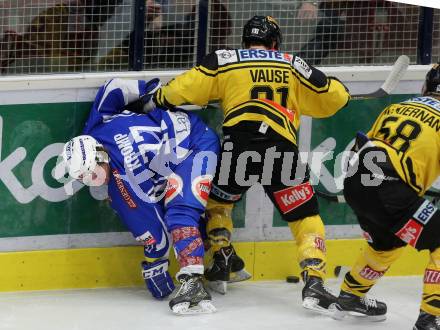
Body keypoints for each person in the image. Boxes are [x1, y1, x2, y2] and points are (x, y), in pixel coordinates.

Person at [143, 15, 350, 315]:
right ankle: (314, 281)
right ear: (275, 42)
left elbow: (180, 90)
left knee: (216, 204)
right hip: (281, 152)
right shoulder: (291, 63)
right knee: (305, 217)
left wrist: (155, 99)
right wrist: (341, 93)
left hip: (239, 148)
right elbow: (334, 97)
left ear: (245, 40)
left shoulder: (224, 59)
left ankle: (223, 252)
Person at [61, 78, 220, 315]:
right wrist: (148, 92)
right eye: (85, 179)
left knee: (180, 213)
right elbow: (113, 88)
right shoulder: (94, 131)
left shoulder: (124, 187)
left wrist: (154, 265)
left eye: (92, 174)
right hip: (182, 137)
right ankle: (219, 253)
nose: (93, 181)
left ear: (99, 156)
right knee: (178, 207)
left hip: (197, 146)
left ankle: (194, 284)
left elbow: (156, 236)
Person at [335, 64, 440, 329]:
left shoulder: (397, 107)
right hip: (392, 189)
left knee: (387, 242)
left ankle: (351, 295)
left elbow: (363, 145)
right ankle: (431, 317)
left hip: (357, 182)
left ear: (426, 86)